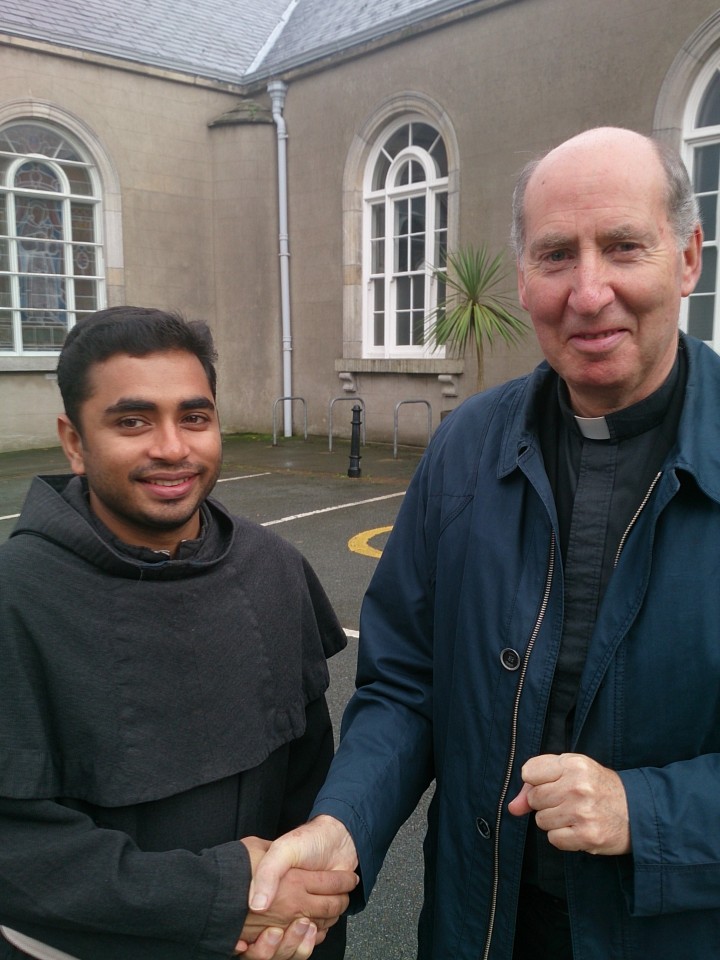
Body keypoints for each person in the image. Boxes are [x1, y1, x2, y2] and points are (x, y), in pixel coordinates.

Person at [247, 127, 720, 959]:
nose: (589, 290)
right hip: (485, 926)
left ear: (687, 258)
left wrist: (646, 813)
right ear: (521, 278)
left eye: (622, 246)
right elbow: (403, 686)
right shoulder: (467, 447)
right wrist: (342, 823)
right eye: (555, 256)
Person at [0, 307, 357, 960]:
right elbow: (19, 851)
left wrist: (301, 920)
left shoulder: (275, 569)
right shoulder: (13, 598)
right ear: (74, 440)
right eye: (132, 421)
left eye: (194, 417)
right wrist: (221, 901)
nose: (172, 447)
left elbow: (308, 779)